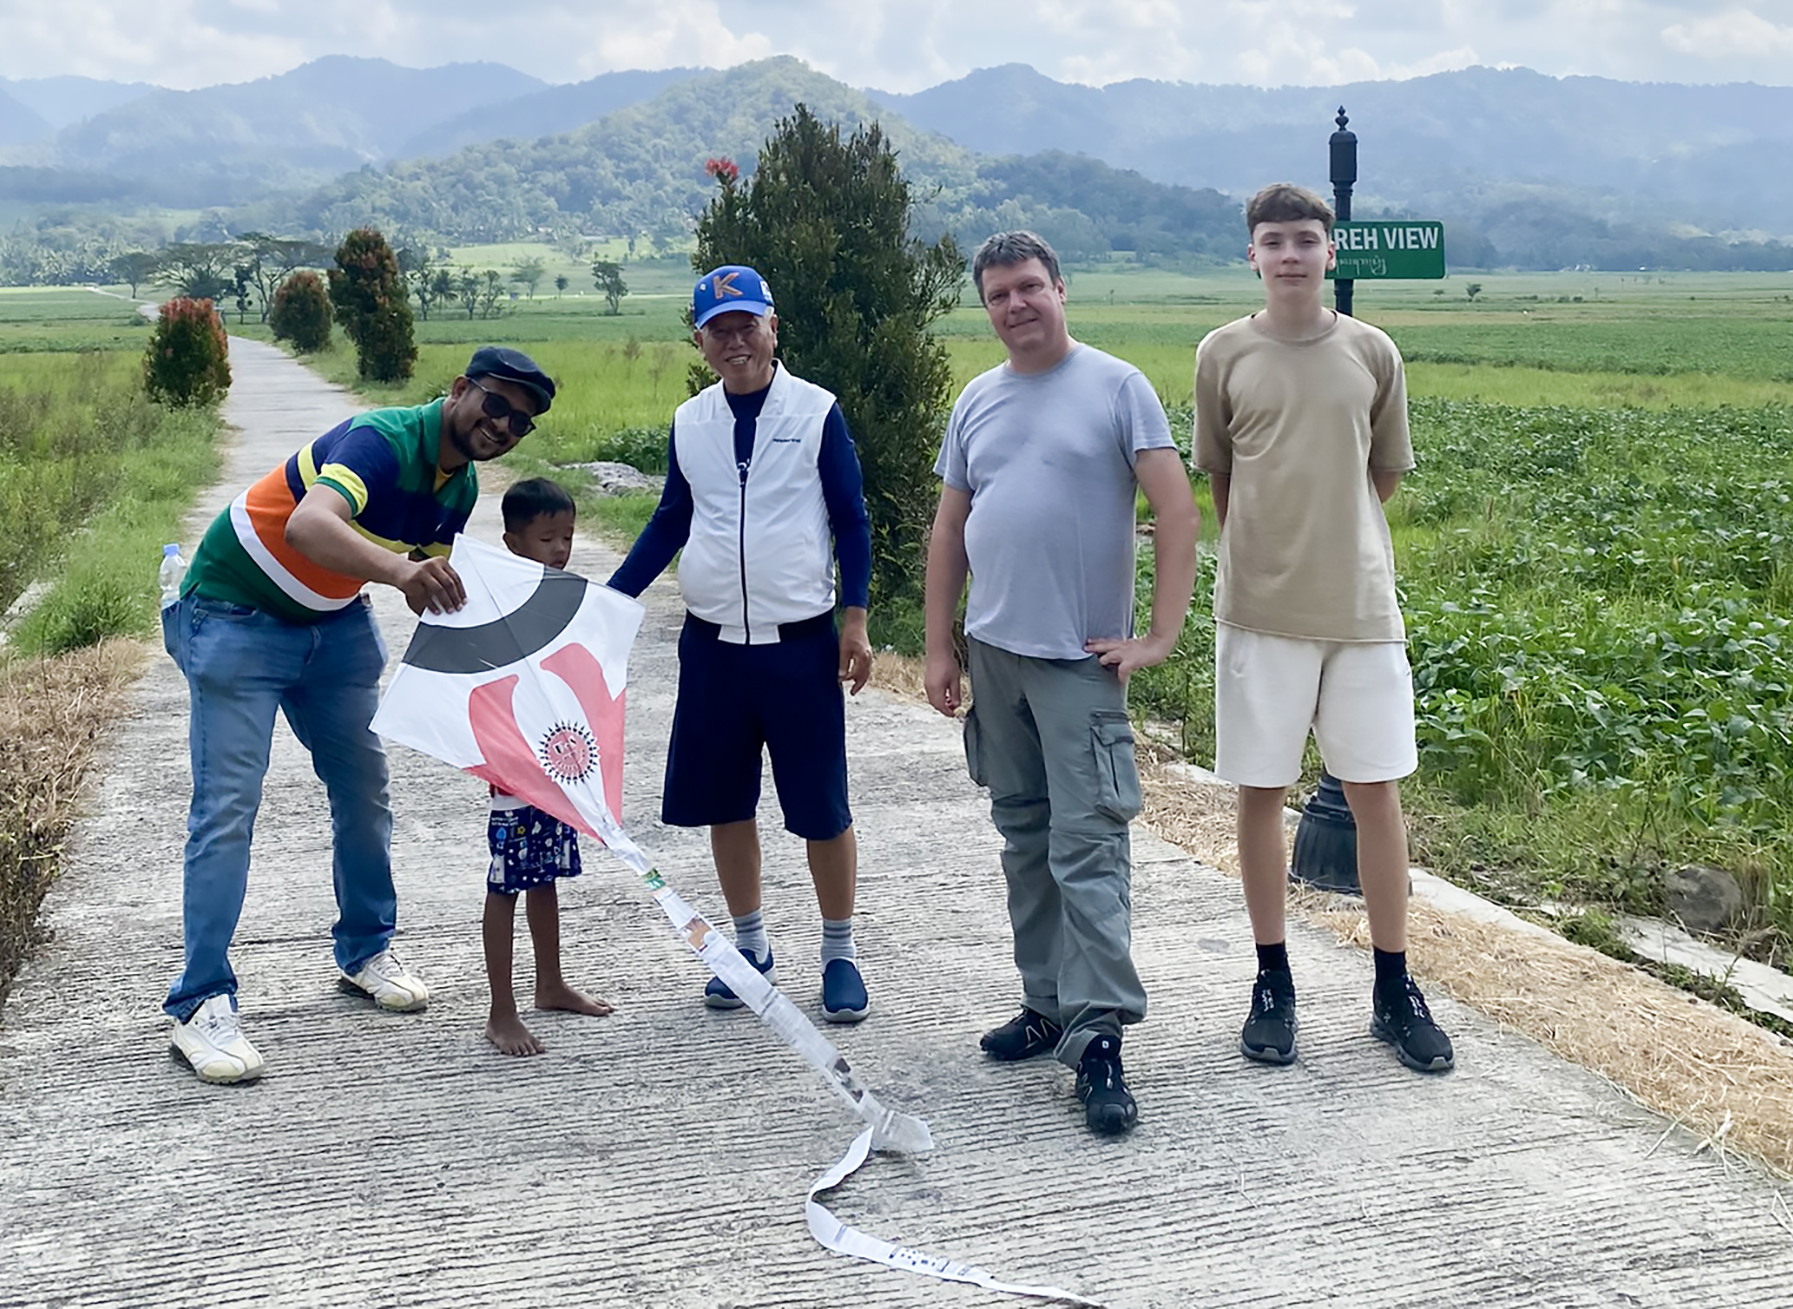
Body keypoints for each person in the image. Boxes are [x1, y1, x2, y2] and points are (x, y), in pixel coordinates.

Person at [162, 344, 556, 1084]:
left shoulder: (460, 486)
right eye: (496, 404)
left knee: (366, 793)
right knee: (228, 808)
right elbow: (309, 527)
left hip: (333, 624)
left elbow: (432, 586)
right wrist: (401, 571)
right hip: (233, 613)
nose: (503, 425)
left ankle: (366, 949)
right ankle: (199, 1001)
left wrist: (519, 676)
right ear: (460, 389)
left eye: (521, 422)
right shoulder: (382, 439)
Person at [924, 231, 1199, 1135]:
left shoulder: (1118, 387)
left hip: (1079, 661)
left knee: (1088, 847)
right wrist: (939, 644)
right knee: (1024, 836)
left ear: (1061, 289)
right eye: (998, 294)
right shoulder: (977, 398)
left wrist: (1158, 636)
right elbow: (950, 528)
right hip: (994, 652)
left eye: (1029, 287)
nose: (1015, 305)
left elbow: (1176, 510)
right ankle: (1045, 1003)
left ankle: (1099, 1033)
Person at [1192, 183, 1454, 1074]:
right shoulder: (1222, 353)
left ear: (1329, 251)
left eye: (1306, 238)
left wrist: (1335, 540)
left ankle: (1394, 986)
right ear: (1253, 256)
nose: (1291, 254)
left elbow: (1381, 474)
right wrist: (1270, 550)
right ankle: (1273, 980)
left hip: (1361, 610)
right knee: (1260, 793)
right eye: (1274, 240)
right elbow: (1223, 479)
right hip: (1260, 611)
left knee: (1376, 792)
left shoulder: (1373, 352)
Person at [606, 265, 876, 1024]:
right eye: (718, 330)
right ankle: (749, 947)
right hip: (714, 648)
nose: (735, 342)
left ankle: (839, 951)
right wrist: (608, 602)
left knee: (822, 806)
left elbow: (850, 519)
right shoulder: (691, 421)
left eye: (746, 325)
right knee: (727, 802)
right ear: (700, 341)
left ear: (772, 327)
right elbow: (671, 517)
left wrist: (855, 618)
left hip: (800, 646)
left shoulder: (816, 411)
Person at [482, 477, 616, 1056]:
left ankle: (550, 983)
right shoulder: (495, 604)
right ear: (512, 543)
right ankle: (501, 1010)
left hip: (558, 764)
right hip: (514, 772)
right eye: (546, 539)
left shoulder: (561, 598)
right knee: (506, 882)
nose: (560, 549)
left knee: (544, 877)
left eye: (568, 536)